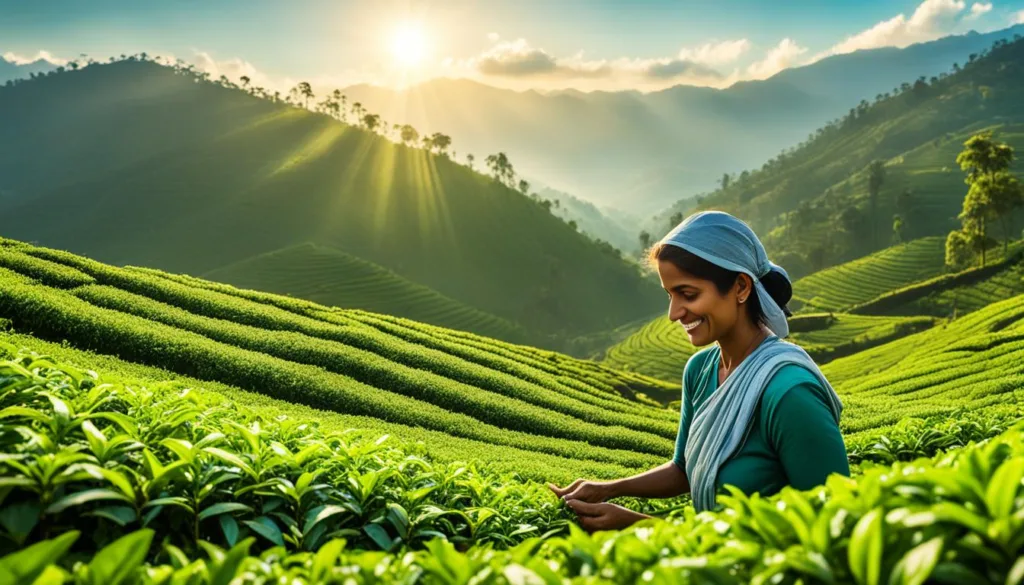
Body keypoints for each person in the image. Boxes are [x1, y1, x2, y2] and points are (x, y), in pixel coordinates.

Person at [549, 210, 849, 532]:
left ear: (741, 288)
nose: (674, 313)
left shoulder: (790, 394)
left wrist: (643, 527)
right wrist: (609, 488)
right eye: (670, 295)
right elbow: (685, 470)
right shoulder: (700, 371)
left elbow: (833, 529)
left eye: (688, 294)